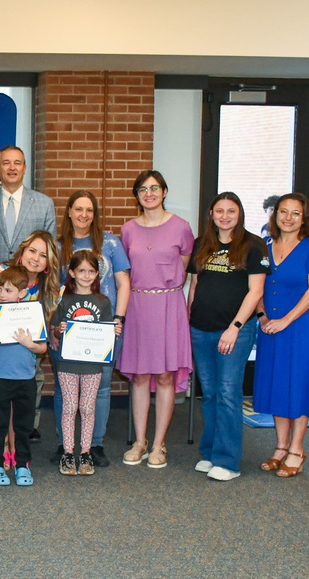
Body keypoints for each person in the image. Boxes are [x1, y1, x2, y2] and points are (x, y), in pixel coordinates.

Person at [187, 192, 268, 481]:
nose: (224, 216)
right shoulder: (202, 245)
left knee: (228, 394)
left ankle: (228, 461)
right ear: (211, 213)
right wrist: (189, 321)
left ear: (239, 214)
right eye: (219, 210)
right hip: (200, 329)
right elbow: (195, 285)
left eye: (230, 211)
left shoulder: (253, 246)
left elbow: (256, 291)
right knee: (208, 394)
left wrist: (234, 327)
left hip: (235, 331)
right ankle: (210, 453)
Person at [116, 170, 194, 469]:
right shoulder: (128, 230)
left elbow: (183, 266)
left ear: (164, 191)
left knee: (164, 376)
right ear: (136, 195)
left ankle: (159, 444)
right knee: (139, 376)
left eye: (155, 188)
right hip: (137, 305)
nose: (149, 193)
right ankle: (140, 442)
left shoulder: (181, 228)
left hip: (167, 305)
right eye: (143, 189)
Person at [52, 190, 130, 467]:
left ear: (94, 214)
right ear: (69, 212)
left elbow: (123, 283)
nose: (83, 215)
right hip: (67, 330)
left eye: (89, 210)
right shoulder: (59, 244)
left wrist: (117, 319)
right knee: (66, 390)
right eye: (78, 209)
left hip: (104, 329)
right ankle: (66, 445)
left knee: (101, 389)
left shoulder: (110, 242)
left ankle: (94, 446)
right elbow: (51, 288)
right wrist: (54, 327)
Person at [253, 193, 309, 478]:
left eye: (296, 213)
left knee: (298, 383)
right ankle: (281, 447)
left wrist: (285, 320)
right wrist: (262, 316)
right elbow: (255, 287)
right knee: (276, 383)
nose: (288, 218)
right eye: (284, 211)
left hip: (300, 328)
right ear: (275, 215)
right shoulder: (265, 246)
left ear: (304, 218)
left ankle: (297, 448)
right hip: (270, 327)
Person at [0, 231, 60, 455]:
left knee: (18, 402)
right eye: (32, 251)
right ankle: (3, 448)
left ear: (48, 263)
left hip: (24, 352)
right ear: (22, 251)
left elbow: (42, 330)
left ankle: (14, 449)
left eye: (43, 255)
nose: (35, 258)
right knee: (2, 404)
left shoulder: (48, 288)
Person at [49, 251, 119, 476]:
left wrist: (114, 331)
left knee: (88, 409)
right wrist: (57, 331)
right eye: (81, 271)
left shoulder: (103, 302)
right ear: (71, 272)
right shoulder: (64, 299)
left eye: (91, 271)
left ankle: (86, 453)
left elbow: (107, 333)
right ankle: (68, 453)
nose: (86, 275)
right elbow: (54, 329)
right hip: (68, 364)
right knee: (69, 408)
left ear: (97, 274)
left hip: (92, 366)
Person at [0, 265, 48, 487]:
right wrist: (1, 321)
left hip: (25, 379)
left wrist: (30, 343)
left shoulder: (32, 313)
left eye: (8, 291)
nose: (2, 295)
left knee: (23, 426)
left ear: (22, 293)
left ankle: (22, 465)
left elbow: (42, 348)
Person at [0, 145, 57, 271]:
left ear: (24, 169)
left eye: (17, 163)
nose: (12, 168)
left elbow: (50, 250)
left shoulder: (44, 204)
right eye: (6, 163)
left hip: (30, 282)